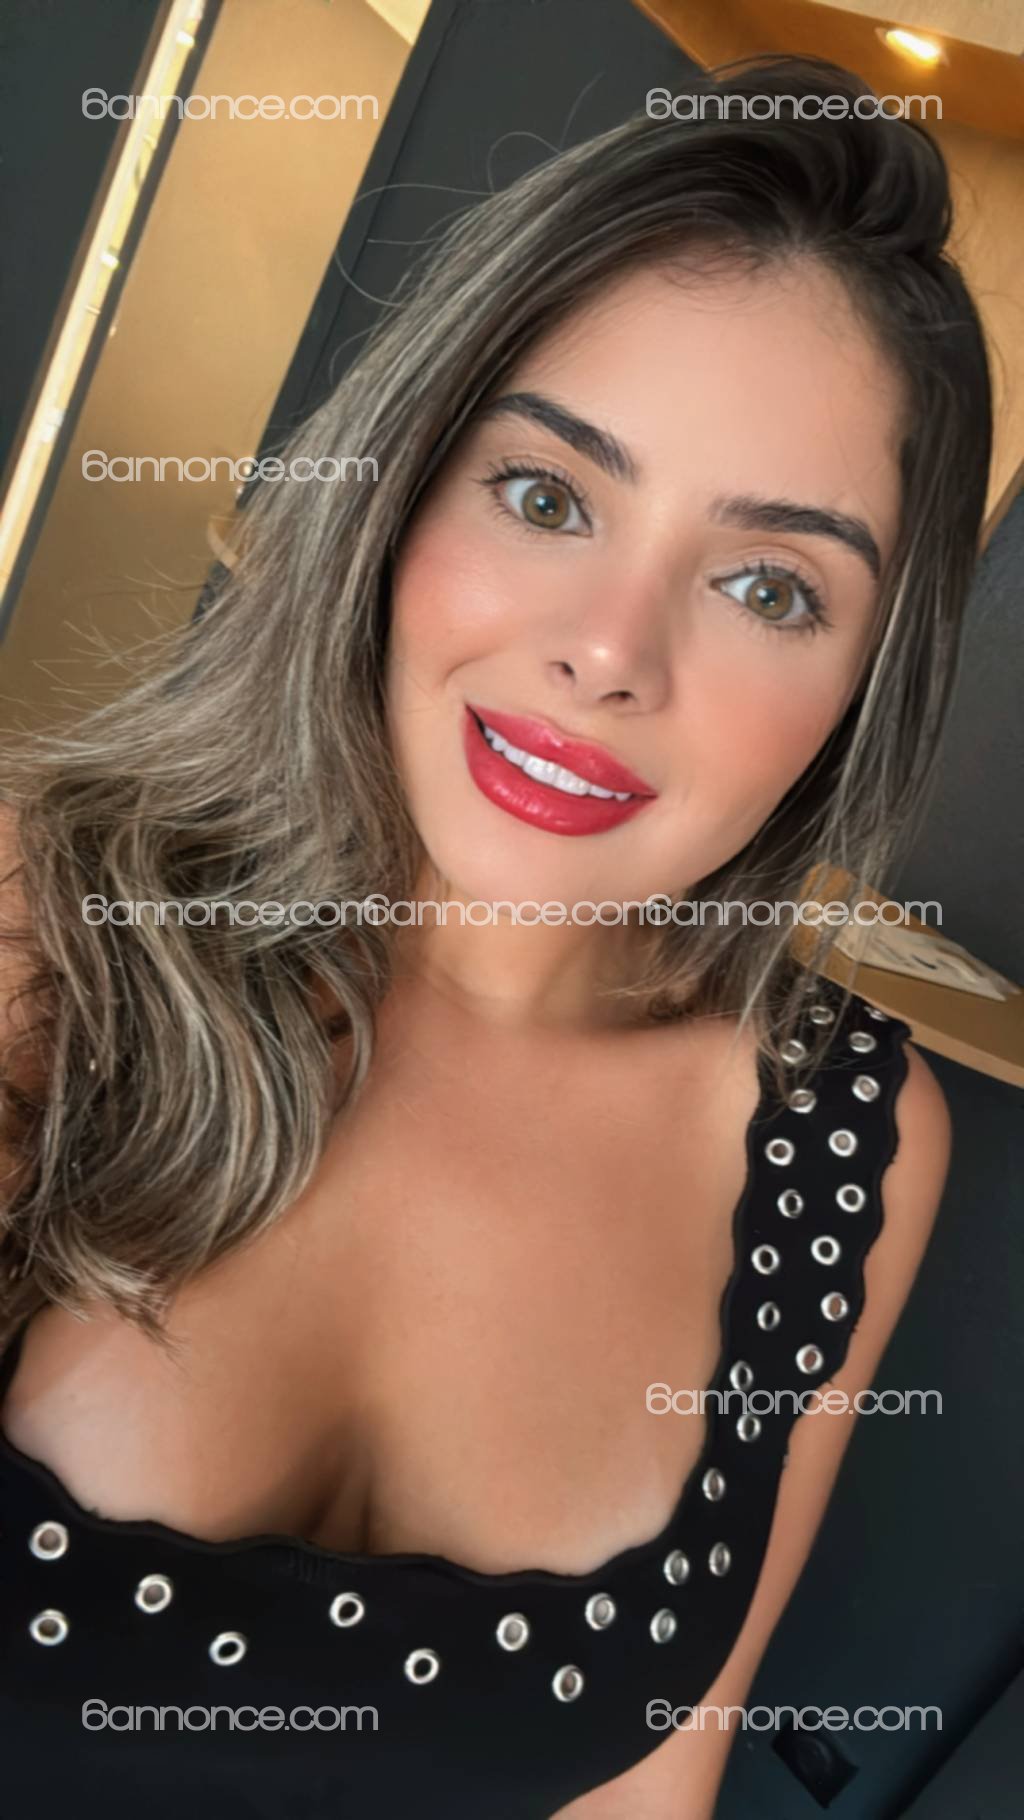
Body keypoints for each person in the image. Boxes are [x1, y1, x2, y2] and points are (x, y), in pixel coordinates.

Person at [0, 53, 991, 1820]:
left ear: (866, 687)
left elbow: (653, 1790)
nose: (611, 649)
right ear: (399, 492)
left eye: (770, 585)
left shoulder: (847, 1139)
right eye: (546, 497)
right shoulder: (45, 923)